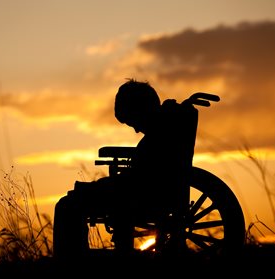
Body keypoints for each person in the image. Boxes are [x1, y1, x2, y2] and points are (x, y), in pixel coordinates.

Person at [53, 78, 198, 259]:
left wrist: (98, 186)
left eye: (133, 122)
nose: (136, 130)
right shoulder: (165, 128)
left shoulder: (158, 136)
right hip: (146, 191)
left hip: (140, 196)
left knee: (68, 205)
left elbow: (140, 179)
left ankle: (71, 260)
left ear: (141, 111)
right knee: (75, 197)